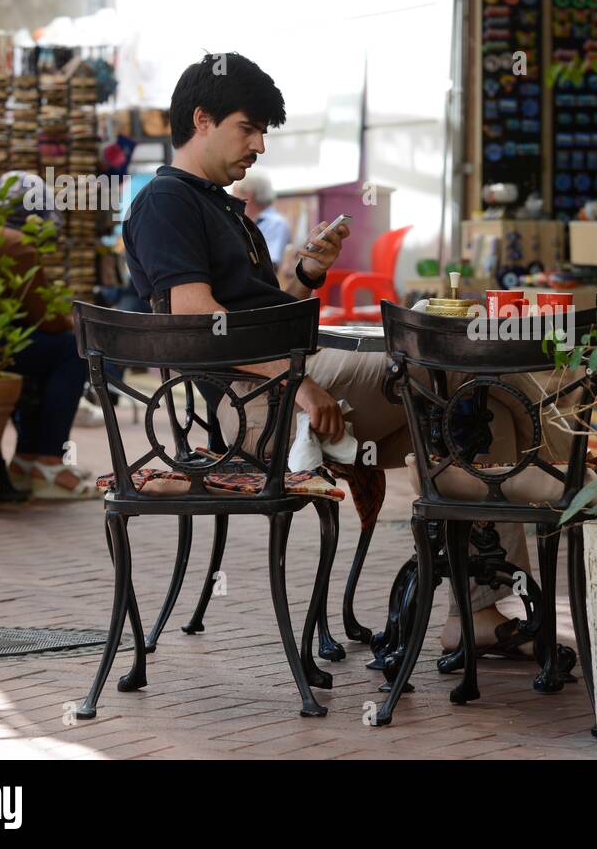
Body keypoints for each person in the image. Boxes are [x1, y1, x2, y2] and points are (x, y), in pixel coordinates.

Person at [122, 53, 536, 655]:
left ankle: (476, 609)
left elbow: (258, 317)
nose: (260, 145)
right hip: (258, 406)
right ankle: (487, 593)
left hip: (284, 382)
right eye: (249, 127)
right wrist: (299, 382)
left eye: (264, 131)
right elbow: (196, 323)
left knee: (475, 410)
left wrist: (306, 271)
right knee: (456, 380)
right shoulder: (167, 202)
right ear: (202, 118)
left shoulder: (216, 203)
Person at [0, 171, 99, 498]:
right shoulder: (14, 243)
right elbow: (43, 317)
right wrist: (77, 327)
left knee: (42, 353)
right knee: (74, 350)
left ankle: (27, 461)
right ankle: (47, 463)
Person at [231, 170, 290, 266]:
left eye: (234, 193)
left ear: (247, 195)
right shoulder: (245, 221)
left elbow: (272, 262)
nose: (231, 198)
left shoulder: (276, 223)